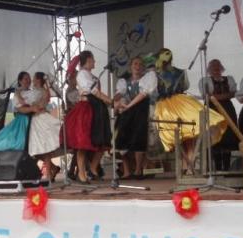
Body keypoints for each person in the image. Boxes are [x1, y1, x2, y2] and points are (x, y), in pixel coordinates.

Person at [153, 48, 226, 174]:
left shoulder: (155, 74)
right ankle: (188, 167)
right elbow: (185, 86)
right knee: (188, 137)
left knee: (181, 137)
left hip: (166, 106)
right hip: (182, 103)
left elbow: (154, 92)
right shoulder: (181, 72)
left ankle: (187, 167)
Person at [63, 50, 112, 183]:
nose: (95, 62)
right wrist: (110, 101)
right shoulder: (82, 74)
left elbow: (96, 92)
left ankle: (92, 168)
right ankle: (81, 173)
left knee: (101, 140)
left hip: (95, 107)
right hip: (86, 108)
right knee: (83, 142)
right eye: (93, 60)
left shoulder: (89, 74)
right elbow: (94, 91)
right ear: (88, 60)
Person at [114, 56, 157, 179]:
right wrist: (116, 100)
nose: (137, 66)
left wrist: (127, 106)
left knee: (139, 138)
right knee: (121, 139)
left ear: (143, 67)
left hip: (141, 111)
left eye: (140, 64)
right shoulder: (124, 82)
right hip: (127, 112)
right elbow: (119, 94)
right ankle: (127, 170)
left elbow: (144, 94)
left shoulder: (147, 80)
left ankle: (138, 170)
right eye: (135, 64)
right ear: (130, 67)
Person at [0, 72, 43, 151]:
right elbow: (21, 106)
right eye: (26, 79)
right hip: (22, 120)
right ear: (20, 81)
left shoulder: (33, 92)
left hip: (34, 118)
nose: (28, 80)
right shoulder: (17, 95)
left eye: (29, 78)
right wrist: (19, 94)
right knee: (18, 141)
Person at [198, 59, 239, 171]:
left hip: (227, 109)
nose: (216, 69)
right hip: (212, 110)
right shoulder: (205, 80)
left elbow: (233, 93)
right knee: (214, 136)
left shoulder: (229, 79)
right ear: (209, 69)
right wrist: (224, 96)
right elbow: (206, 95)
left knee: (227, 136)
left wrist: (216, 97)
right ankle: (217, 167)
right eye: (213, 67)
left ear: (221, 68)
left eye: (218, 66)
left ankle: (226, 167)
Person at [28, 72, 61, 181]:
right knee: (37, 150)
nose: (32, 80)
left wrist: (33, 106)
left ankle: (48, 174)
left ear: (38, 80)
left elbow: (42, 104)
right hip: (36, 120)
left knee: (44, 148)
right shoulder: (37, 92)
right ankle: (53, 168)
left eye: (34, 78)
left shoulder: (41, 91)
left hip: (40, 120)